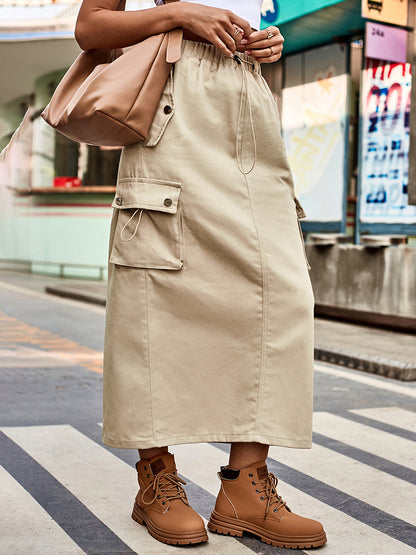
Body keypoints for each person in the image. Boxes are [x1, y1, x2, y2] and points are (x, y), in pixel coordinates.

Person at [75, 0, 327, 549]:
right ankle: (157, 480)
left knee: (280, 292)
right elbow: (90, 28)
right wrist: (181, 14)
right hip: (168, 104)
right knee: (155, 288)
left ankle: (245, 488)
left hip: (247, 102)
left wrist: (267, 42)